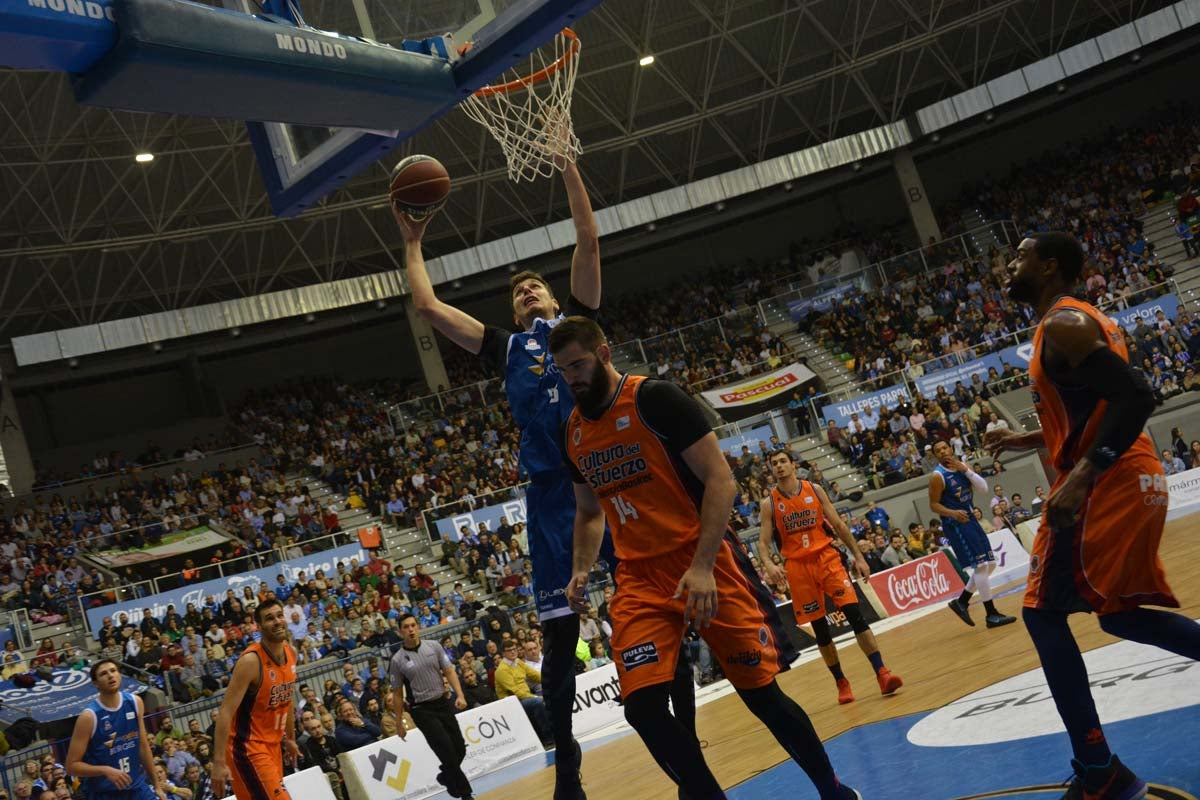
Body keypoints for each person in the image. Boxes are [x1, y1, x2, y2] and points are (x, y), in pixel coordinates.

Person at [393, 155, 693, 800]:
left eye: (535, 288)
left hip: (612, 477)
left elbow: (587, 237)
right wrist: (412, 241)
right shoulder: (507, 347)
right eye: (517, 292)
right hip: (557, 497)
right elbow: (426, 303)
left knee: (669, 604)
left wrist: (568, 169)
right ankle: (570, 776)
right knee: (558, 646)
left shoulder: (578, 327)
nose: (527, 293)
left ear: (558, 300)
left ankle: (688, 745)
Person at [552, 316, 860, 800]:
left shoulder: (656, 399)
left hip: (705, 559)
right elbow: (590, 512)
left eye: (578, 365)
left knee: (762, 696)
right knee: (642, 708)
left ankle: (833, 790)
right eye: (562, 370)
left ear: (605, 353)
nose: (571, 378)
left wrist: (699, 567)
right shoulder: (571, 432)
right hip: (638, 576)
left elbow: (721, 480)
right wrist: (581, 569)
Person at [987, 232, 1200, 797]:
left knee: (1039, 613)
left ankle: (1101, 771)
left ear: (1049, 266)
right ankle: (1101, 768)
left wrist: (1080, 476)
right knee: (1120, 616)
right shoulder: (1077, 322)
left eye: (1020, 255)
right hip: (1135, 474)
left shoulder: (1063, 324)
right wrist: (1029, 436)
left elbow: (1136, 395)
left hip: (1108, 482)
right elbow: (1097, 403)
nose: (1010, 264)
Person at [758, 450, 902, 706]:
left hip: (827, 558)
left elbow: (838, 524)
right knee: (822, 631)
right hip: (798, 567)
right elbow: (762, 542)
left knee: (855, 615)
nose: (778, 466)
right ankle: (841, 682)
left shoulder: (814, 489)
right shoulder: (769, 503)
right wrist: (768, 563)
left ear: (793, 464)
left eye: (782, 461)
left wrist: (858, 555)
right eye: (774, 464)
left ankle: (882, 672)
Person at [210, 599, 300, 800]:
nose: (277, 621)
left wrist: (290, 738)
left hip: (273, 745)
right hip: (247, 748)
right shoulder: (251, 661)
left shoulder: (291, 652)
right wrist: (218, 762)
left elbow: (287, 699)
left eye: (279, 615)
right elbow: (225, 712)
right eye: (269, 618)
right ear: (258, 627)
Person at [931, 441, 1017, 630]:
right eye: (938, 451)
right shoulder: (938, 477)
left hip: (971, 519)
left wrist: (965, 470)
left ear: (951, 449)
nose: (942, 452)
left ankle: (961, 602)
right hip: (957, 524)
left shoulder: (963, 467)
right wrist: (953, 513)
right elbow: (933, 505)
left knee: (991, 564)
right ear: (936, 456)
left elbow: (983, 489)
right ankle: (991, 614)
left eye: (945, 448)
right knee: (981, 566)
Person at [388, 614, 473, 800]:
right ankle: (466, 795)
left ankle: (446, 775)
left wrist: (460, 694)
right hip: (422, 710)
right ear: (400, 631)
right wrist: (399, 723)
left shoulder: (434, 646)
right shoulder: (397, 660)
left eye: (413, 625)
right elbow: (396, 693)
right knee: (446, 750)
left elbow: (449, 670)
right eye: (406, 627)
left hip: (442, 703)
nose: (410, 629)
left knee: (460, 747)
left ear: (418, 627)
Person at [65, 659, 166, 800]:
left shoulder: (135, 702)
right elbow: (71, 766)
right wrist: (104, 770)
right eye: (103, 674)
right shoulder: (89, 717)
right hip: (105, 792)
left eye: (113, 671)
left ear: (119, 675)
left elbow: (143, 746)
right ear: (96, 684)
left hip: (137, 787)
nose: (110, 675)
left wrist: (157, 785)